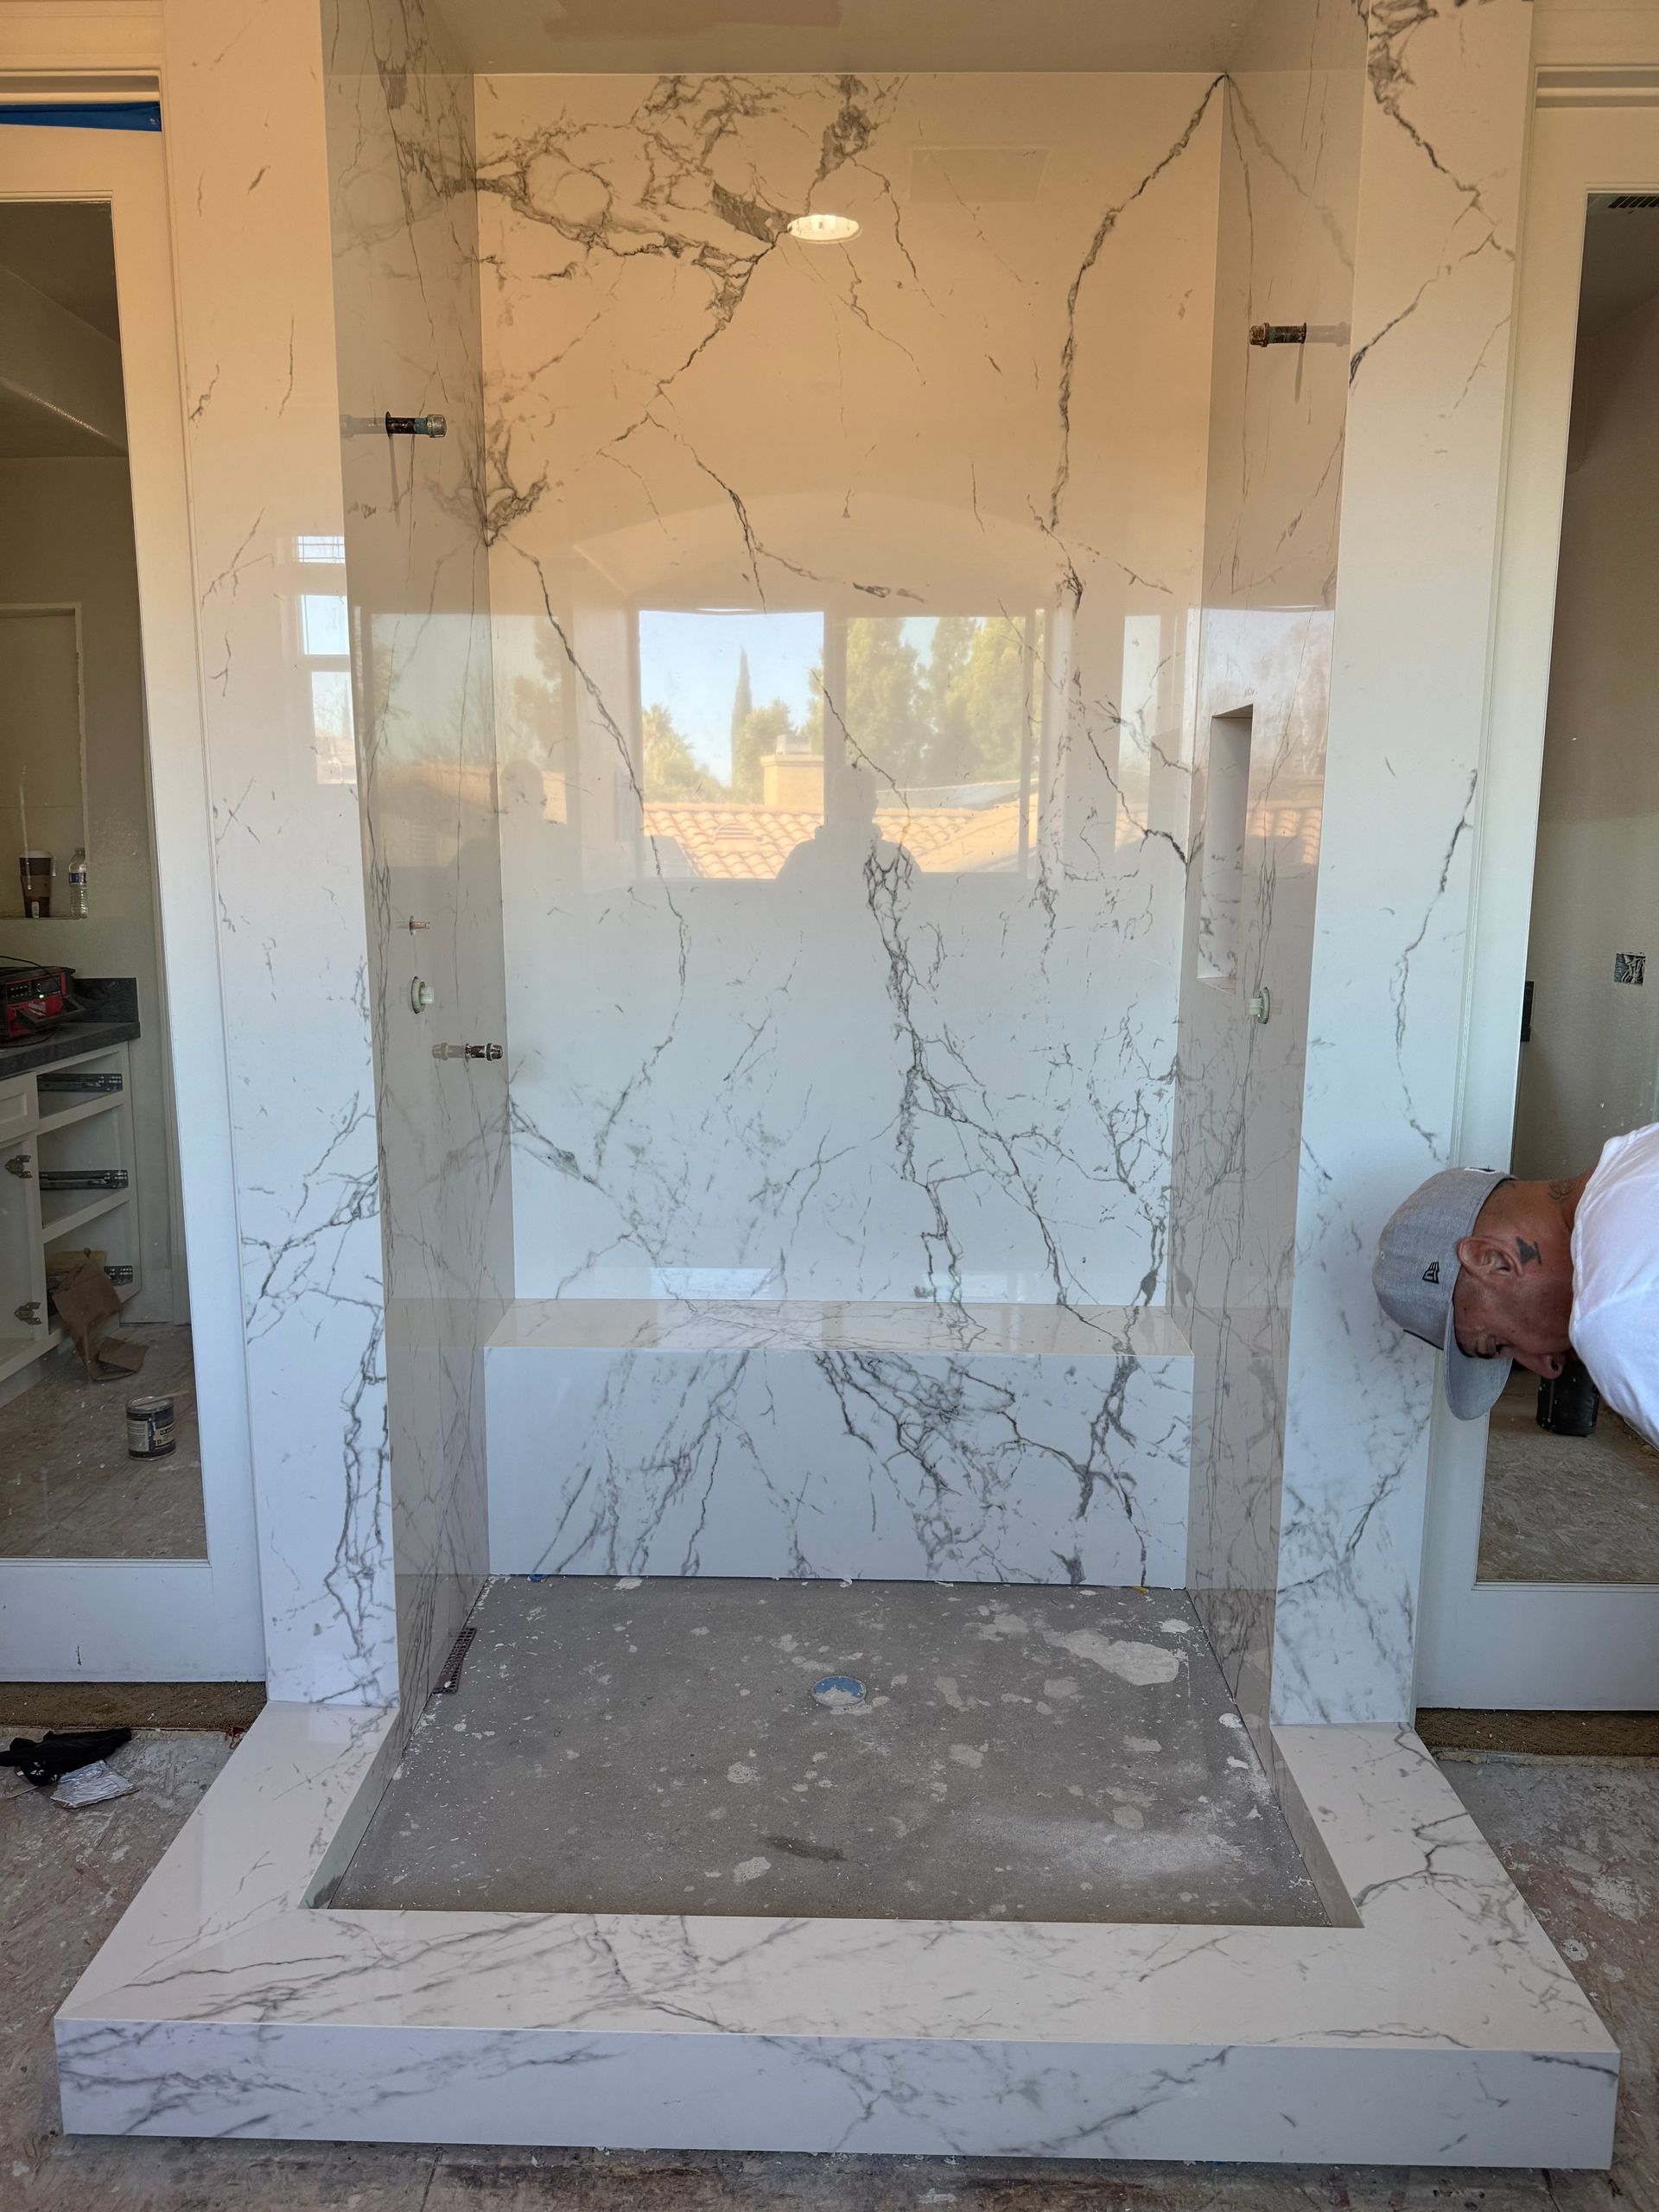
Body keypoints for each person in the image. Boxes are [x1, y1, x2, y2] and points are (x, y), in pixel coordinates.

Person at [1373, 1120, 1659, 1447]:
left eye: (1496, 1344)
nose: (1549, 1368)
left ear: (1493, 1260)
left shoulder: (1611, 1316)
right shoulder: (1637, 1151)